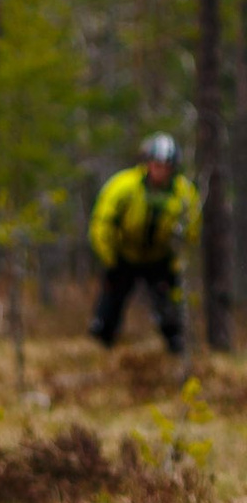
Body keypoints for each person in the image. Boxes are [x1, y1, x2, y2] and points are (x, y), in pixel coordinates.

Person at [88, 132, 199, 353]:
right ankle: (102, 344)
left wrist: (178, 262)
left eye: (167, 166)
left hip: (160, 259)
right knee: (110, 304)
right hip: (124, 256)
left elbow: (192, 230)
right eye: (157, 164)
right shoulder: (124, 186)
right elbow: (102, 222)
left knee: (169, 308)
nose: (161, 170)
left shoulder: (184, 193)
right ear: (147, 163)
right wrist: (109, 256)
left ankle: (177, 351)